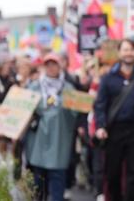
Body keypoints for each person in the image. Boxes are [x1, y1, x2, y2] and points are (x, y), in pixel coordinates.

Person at [93, 39, 134, 201]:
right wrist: (100, 126)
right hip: (114, 130)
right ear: (119, 52)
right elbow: (100, 105)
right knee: (112, 173)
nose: (129, 53)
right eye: (125, 49)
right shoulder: (108, 78)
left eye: (132, 50)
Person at [25, 53, 78, 201]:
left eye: (54, 64)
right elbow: (25, 109)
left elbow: (76, 113)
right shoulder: (34, 86)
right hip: (38, 139)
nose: (51, 67)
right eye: (47, 64)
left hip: (59, 139)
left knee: (57, 178)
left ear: (60, 66)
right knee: (38, 181)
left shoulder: (69, 88)